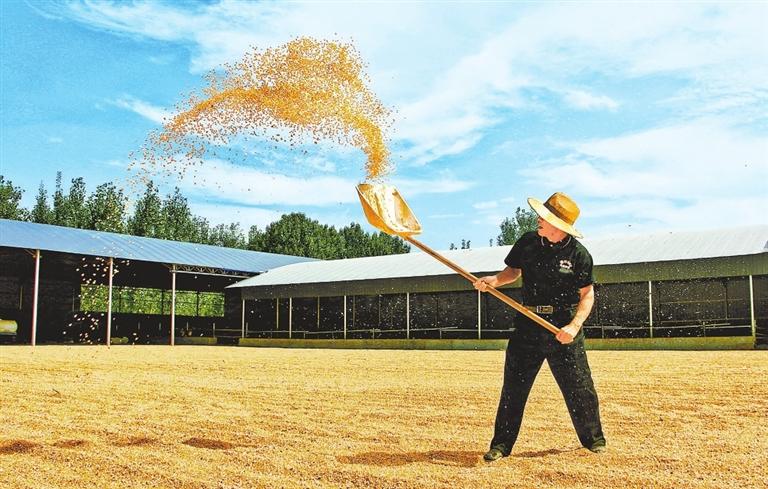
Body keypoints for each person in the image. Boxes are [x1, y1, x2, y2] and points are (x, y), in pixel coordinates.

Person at [474, 192, 606, 462]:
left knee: (579, 387)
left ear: (559, 225)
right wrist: (494, 281)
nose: (538, 220)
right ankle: (501, 445)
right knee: (513, 388)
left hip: (563, 328)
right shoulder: (528, 242)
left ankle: (594, 439)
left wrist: (573, 326)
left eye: (543, 218)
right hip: (528, 325)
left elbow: (587, 295)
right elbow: (513, 271)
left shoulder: (579, 255)